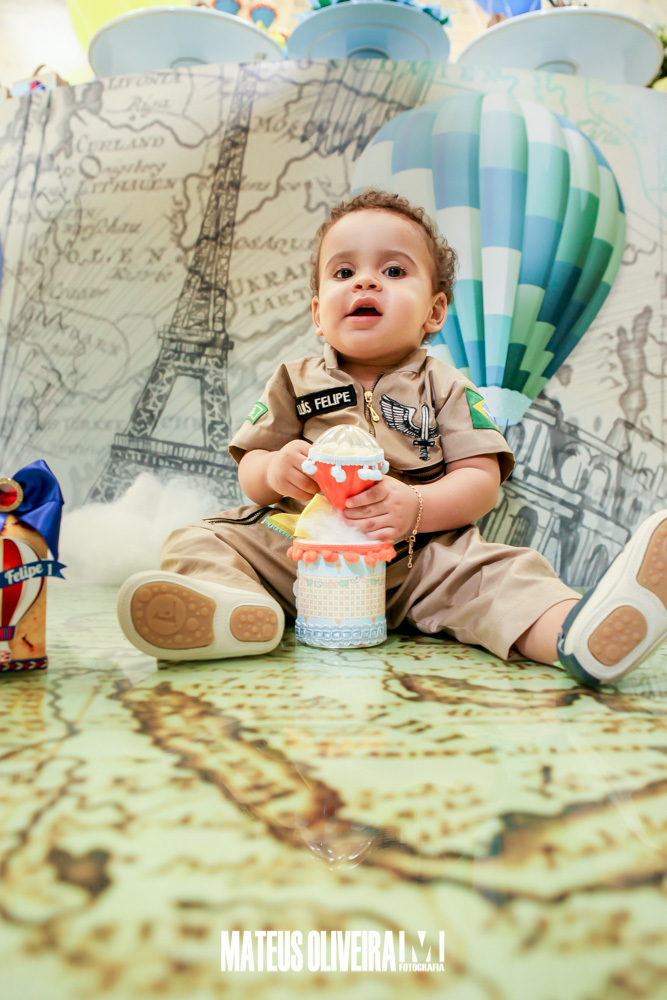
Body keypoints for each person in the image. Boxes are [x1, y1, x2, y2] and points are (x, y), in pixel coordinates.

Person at [117, 190, 667, 687]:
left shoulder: (446, 385)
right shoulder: (294, 379)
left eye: (394, 270)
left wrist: (416, 507)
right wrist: (274, 468)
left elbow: (482, 481)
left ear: (435, 311)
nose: (365, 282)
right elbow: (251, 469)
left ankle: (575, 634)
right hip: (303, 554)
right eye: (344, 271)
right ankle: (237, 611)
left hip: (422, 560)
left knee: (507, 574)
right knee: (199, 538)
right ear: (318, 313)